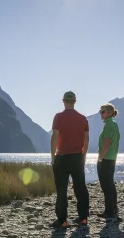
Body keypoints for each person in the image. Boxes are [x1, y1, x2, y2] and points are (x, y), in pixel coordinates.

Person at [50, 91, 90, 228]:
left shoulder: (58, 117)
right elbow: (86, 140)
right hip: (77, 157)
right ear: (74, 101)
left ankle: (63, 221)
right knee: (80, 188)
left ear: (63, 101)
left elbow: (54, 137)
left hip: (62, 157)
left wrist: (53, 156)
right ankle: (83, 218)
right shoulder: (83, 118)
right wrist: (83, 157)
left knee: (62, 190)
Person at [96, 103, 121, 223]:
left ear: (110, 113)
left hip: (106, 159)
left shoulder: (108, 126)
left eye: (103, 111)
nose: (101, 113)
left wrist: (100, 158)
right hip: (112, 159)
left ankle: (109, 212)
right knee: (110, 185)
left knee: (106, 186)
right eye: (100, 111)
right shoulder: (114, 125)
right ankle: (113, 210)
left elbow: (106, 145)